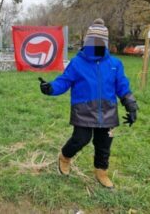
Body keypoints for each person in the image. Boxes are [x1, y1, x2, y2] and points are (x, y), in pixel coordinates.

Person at [39, 18, 138, 189]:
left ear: (105, 43)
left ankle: (101, 171)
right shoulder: (77, 63)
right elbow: (64, 81)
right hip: (83, 110)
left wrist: (131, 105)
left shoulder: (115, 64)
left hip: (107, 112)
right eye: (93, 41)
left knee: (104, 144)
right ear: (88, 41)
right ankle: (64, 157)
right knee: (80, 139)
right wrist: (51, 88)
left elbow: (122, 86)